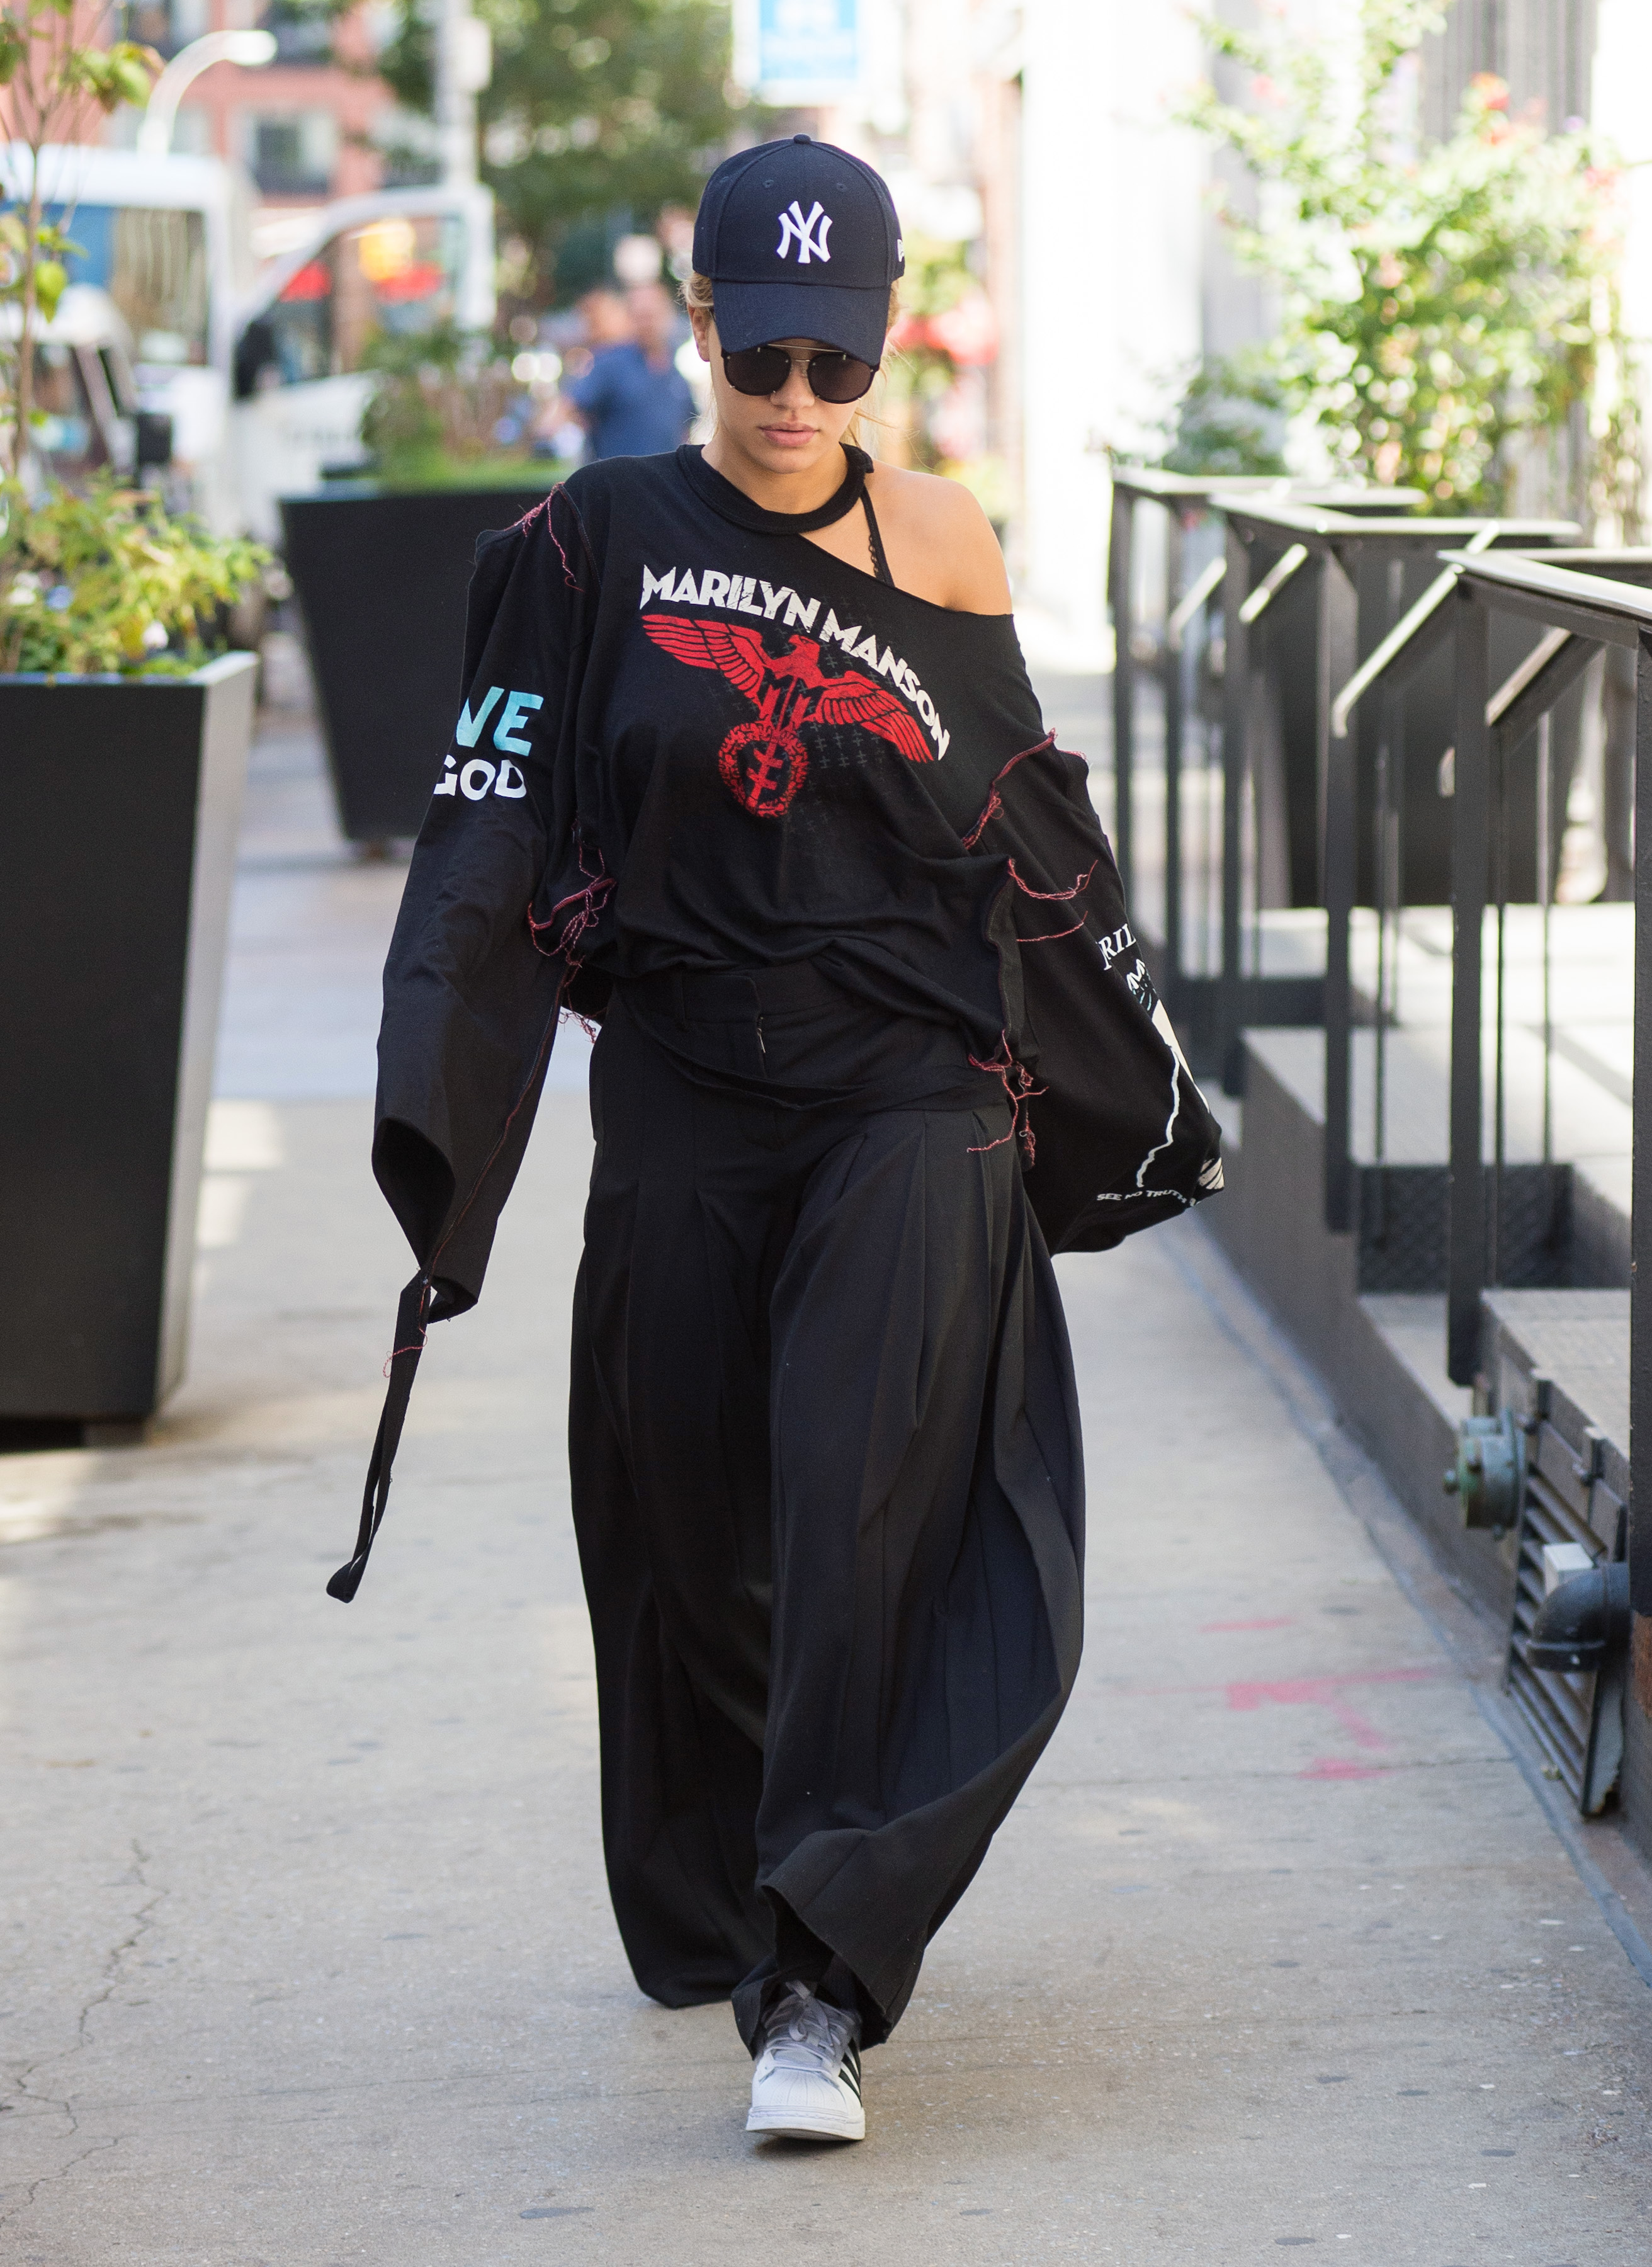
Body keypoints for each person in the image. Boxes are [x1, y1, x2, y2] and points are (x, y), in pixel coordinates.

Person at [345, 135, 1216, 2149]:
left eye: (837, 362)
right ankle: (722, 1891)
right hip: (684, 1089)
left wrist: (1115, 1077)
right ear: (698, 318)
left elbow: (1029, 837)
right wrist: (444, 1104)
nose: (797, 400)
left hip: (912, 1092)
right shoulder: (592, 542)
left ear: (883, 341)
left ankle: (820, 1981)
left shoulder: (946, 543)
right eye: (762, 357)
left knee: (863, 1508)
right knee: (683, 1523)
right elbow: (489, 825)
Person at [562, 275, 695, 460]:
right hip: (618, 475)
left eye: (652, 315)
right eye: (641, 316)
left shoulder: (675, 370)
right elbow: (571, 407)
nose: (648, 323)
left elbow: (685, 427)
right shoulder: (611, 363)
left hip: (664, 475)